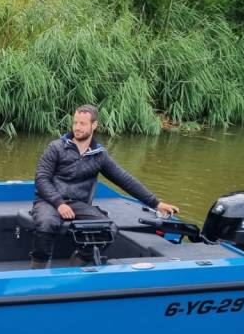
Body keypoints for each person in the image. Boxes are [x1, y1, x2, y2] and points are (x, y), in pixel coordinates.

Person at [30, 104, 179, 267]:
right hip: (49, 201)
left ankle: (75, 266)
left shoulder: (99, 155)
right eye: (75, 123)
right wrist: (59, 204)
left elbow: (125, 180)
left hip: (78, 204)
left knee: (109, 230)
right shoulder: (56, 147)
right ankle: (39, 268)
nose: (77, 127)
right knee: (46, 223)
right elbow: (41, 179)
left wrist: (156, 204)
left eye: (82, 124)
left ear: (94, 125)